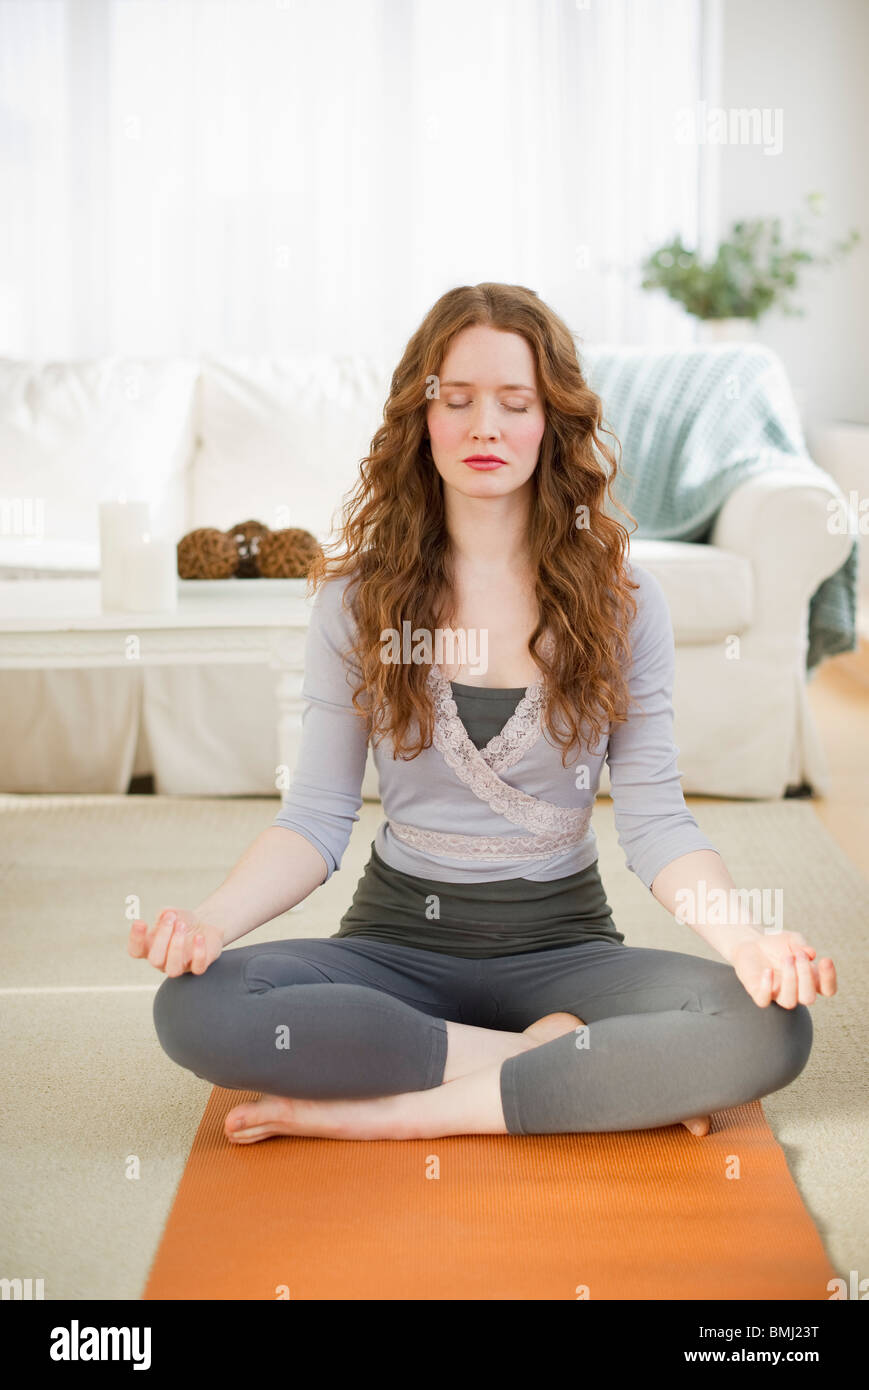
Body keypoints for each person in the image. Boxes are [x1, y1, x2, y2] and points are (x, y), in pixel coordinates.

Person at [132, 283, 836, 1145]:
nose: (484, 427)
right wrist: (209, 921)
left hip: (566, 951)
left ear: (553, 422)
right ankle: (563, 1064)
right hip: (393, 946)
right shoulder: (355, 603)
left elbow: (656, 823)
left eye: (516, 402)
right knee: (198, 1011)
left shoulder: (624, 604)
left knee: (767, 1024)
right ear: (419, 421)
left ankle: (405, 1117)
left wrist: (745, 942)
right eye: (455, 401)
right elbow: (315, 819)